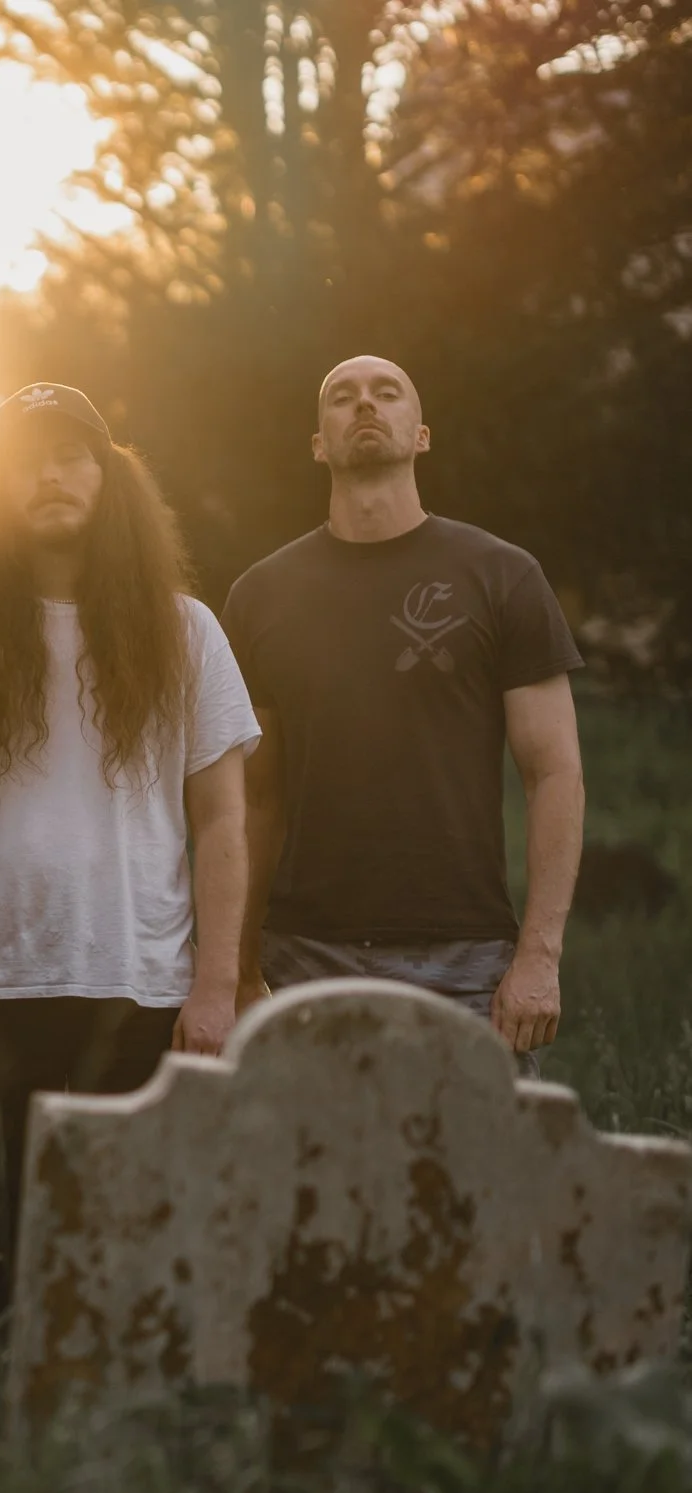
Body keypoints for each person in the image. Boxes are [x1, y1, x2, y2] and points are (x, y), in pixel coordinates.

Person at [0, 384, 257, 1320]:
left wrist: (215, 987)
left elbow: (221, 820)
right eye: (24, 459)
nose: (48, 473)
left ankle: (126, 1456)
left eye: (72, 454)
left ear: (110, 475)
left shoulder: (186, 630)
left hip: (140, 987)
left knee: (134, 1254)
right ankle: (4, 1460)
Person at [225, 356, 584, 1066]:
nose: (365, 405)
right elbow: (252, 802)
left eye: (386, 394)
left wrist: (538, 956)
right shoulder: (260, 596)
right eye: (342, 397)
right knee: (309, 1177)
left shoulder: (502, 575)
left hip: (468, 962)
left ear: (420, 434)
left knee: (472, 1179)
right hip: (303, 959)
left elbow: (555, 775)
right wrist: (234, 970)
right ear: (318, 444)